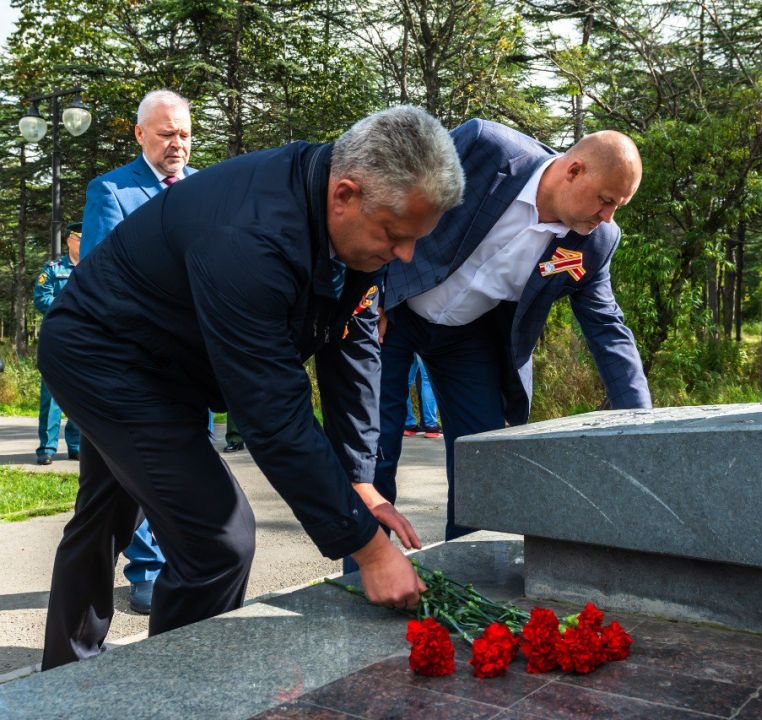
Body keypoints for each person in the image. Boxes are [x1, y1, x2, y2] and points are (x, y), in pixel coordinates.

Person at [38, 105, 463, 671]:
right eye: (395, 235)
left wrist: (358, 479)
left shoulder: (357, 217)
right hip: (105, 353)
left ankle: (64, 671)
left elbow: (353, 342)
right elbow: (272, 414)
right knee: (217, 539)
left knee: (103, 513)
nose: (405, 255)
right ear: (344, 194)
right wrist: (366, 548)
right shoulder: (251, 237)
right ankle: (177, 697)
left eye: (415, 238)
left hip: (174, 357)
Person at [363, 118, 652, 552]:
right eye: (605, 201)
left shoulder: (594, 242)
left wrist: (643, 425)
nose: (608, 217)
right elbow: (391, 198)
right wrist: (373, 291)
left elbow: (609, 329)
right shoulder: (485, 148)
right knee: (376, 450)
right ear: (573, 171)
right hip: (399, 310)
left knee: (481, 464)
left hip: (469, 338)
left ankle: (463, 575)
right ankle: (366, 574)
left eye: (618, 208)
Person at [80, 89, 199, 615]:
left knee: (183, 467)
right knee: (125, 476)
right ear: (140, 134)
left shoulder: (204, 188)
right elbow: (102, 280)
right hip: (128, 360)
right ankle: (146, 571)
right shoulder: (111, 191)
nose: (178, 144)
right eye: (167, 133)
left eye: (185, 134)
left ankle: (177, 563)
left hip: (189, 359)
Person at [33, 223, 82, 465]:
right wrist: (71, 306)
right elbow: (41, 299)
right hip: (57, 341)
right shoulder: (53, 269)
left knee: (80, 395)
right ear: (69, 241)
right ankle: (47, 448)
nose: (83, 243)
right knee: (51, 397)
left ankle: (75, 445)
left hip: (85, 342)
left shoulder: (93, 267)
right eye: (78, 238)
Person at [403, 355, 440, 438]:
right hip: (423, 343)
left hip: (407, 343)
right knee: (428, 378)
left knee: (405, 380)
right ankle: (431, 425)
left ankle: (408, 424)